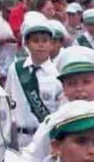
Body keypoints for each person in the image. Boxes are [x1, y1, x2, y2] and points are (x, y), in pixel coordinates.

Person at [5, 12, 61, 149]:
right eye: (35, 41)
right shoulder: (16, 69)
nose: (40, 45)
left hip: (46, 138)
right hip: (20, 137)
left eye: (45, 41)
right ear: (27, 44)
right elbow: (8, 100)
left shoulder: (57, 74)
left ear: (51, 44)